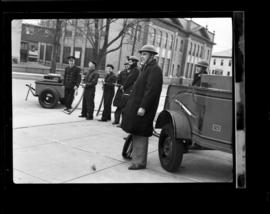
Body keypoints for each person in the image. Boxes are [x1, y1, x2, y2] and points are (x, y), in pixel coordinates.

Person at [121, 45, 163, 170]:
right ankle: (136, 157)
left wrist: (143, 107)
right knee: (136, 131)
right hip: (137, 106)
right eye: (142, 54)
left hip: (143, 108)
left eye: (145, 54)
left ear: (152, 56)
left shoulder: (154, 69)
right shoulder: (146, 68)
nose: (142, 56)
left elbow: (152, 91)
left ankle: (139, 162)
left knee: (141, 133)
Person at [112, 56, 140, 125]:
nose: (129, 64)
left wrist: (123, 86)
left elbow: (130, 80)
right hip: (123, 91)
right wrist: (120, 85)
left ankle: (124, 123)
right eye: (128, 62)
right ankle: (117, 121)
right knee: (120, 106)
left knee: (126, 108)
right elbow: (122, 80)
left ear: (134, 62)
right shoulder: (125, 71)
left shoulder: (136, 70)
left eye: (130, 62)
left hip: (128, 91)